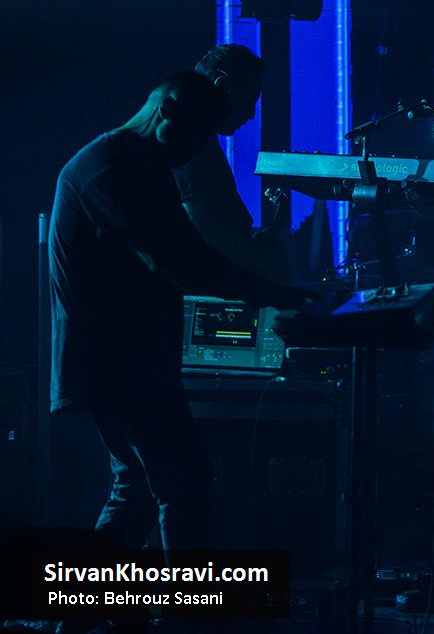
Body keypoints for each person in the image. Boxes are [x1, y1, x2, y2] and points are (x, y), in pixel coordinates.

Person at [48, 70, 314, 566]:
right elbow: (175, 259)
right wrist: (272, 293)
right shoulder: (112, 170)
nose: (195, 151)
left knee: (138, 488)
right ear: (166, 109)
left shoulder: (132, 163)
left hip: (122, 360)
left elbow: (184, 251)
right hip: (121, 363)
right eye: (196, 135)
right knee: (184, 483)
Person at [173, 44, 290, 283]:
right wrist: (254, 259)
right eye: (249, 100)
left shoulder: (199, 142)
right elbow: (203, 235)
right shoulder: (190, 145)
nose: (251, 114)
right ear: (221, 85)